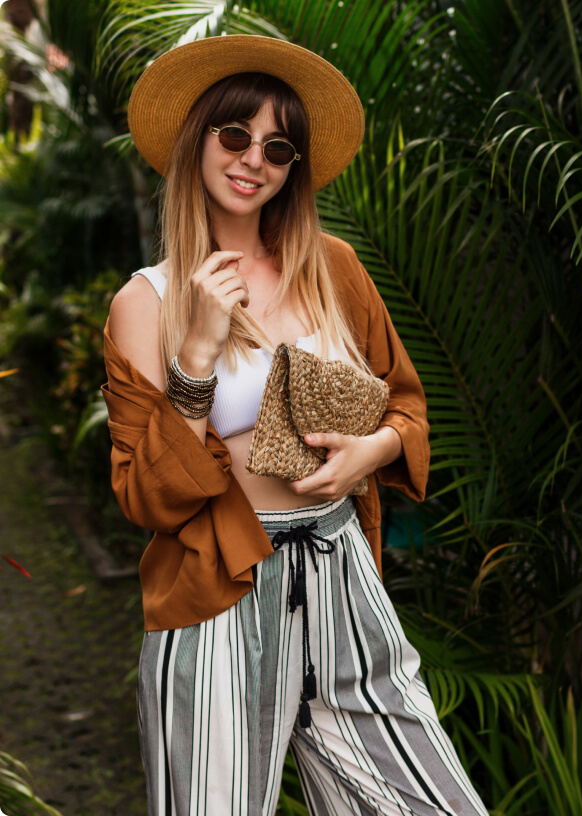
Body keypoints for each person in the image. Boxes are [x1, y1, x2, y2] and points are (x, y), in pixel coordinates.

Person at [102, 34, 489, 816]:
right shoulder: (145, 302)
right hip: (218, 593)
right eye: (234, 134)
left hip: (342, 571)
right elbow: (146, 498)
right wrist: (197, 355)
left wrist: (371, 452)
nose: (254, 159)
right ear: (197, 139)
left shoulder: (333, 267)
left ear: (293, 167)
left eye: (278, 147)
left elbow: (407, 405)